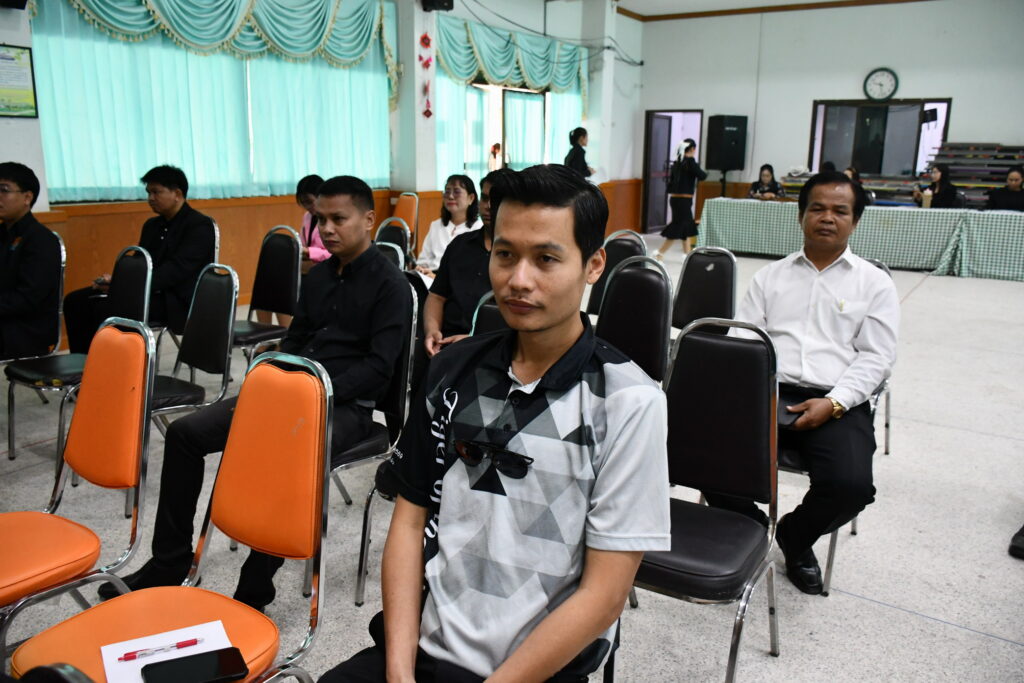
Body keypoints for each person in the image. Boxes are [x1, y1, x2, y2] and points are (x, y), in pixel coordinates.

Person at [318, 165, 670, 682]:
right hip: (421, 653)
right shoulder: (451, 370)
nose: (518, 280)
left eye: (546, 258)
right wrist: (399, 671)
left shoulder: (628, 402)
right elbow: (409, 524)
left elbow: (604, 594)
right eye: (505, 255)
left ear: (594, 265)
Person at [96, 176, 413, 611]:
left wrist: (310, 393)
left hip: (344, 407)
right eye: (321, 219)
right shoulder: (319, 276)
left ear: (369, 219)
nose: (327, 229)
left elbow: (379, 369)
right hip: (288, 392)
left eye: (339, 219)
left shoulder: (391, 285)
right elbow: (296, 339)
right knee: (185, 434)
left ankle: (254, 589)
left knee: (288, 450)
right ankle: (169, 561)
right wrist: (273, 377)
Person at [706, 171, 899, 596]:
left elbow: (877, 357)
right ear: (801, 216)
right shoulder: (770, 277)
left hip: (837, 399)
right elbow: (743, 340)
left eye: (840, 211)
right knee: (700, 452)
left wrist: (835, 402)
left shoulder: (874, 284)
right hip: (767, 392)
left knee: (851, 487)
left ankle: (795, 537)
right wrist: (749, 396)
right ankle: (755, 528)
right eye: (817, 208)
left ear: (855, 221)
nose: (827, 218)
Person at [63, 165, 215, 353]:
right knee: (75, 300)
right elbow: (138, 263)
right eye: (148, 192)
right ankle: (83, 362)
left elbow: (176, 271)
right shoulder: (152, 225)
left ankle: (114, 363)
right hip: (146, 291)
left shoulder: (199, 225)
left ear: (177, 194)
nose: (150, 198)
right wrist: (116, 281)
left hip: (176, 300)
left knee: (104, 308)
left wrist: (125, 286)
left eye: (156, 192)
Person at [423, 169, 510, 357]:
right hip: (446, 344)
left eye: (496, 200)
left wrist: (472, 339)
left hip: (494, 349)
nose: (488, 206)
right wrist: (432, 330)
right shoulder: (459, 245)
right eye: (484, 198)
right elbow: (437, 296)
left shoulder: (519, 255)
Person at [0, 162, 61, 361]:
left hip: (24, 328)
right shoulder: (3, 234)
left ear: (27, 197)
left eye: (4, 190)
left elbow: (29, 298)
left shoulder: (41, 240)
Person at [415, 174, 482, 277]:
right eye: (447, 192)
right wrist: (421, 269)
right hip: (430, 277)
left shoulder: (478, 229)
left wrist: (437, 278)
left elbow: (473, 269)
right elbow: (423, 261)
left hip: (458, 281)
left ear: (471, 198)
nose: (450, 196)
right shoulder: (436, 225)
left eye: (456, 192)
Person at [655, 139, 707, 260]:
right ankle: (659, 253)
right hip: (683, 201)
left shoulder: (677, 163)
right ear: (693, 149)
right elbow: (702, 176)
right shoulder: (690, 163)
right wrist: (692, 160)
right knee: (678, 227)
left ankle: (687, 256)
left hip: (676, 200)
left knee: (685, 227)